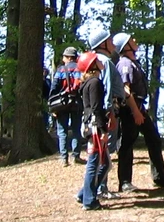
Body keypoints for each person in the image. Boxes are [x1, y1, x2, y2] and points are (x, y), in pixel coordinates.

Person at [114, 33, 164, 191]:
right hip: (130, 109)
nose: (135, 41)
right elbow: (125, 90)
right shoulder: (124, 64)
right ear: (125, 46)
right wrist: (135, 112)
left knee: (154, 139)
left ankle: (160, 177)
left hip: (139, 107)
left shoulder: (133, 62)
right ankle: (124, 182)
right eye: (131, 40)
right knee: (127, 144)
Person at [86, 30, 123, 199]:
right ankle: (101, 188)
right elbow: (107, 89)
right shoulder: (105, 62)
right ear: (102, 44)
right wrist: (111, 114)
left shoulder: (96, 61)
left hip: (99, 113)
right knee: (104, 151)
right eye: (109, 40)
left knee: (102, 152)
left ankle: (93, 189)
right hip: (107, 112)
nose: (113, 43)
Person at [76, 52, 107, 211]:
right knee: (95, 162)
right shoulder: (95, 82)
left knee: (103, 162)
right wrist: (103, 129)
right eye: (97, 60)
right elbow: (96, 108)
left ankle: (83, 194)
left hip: (90, 124)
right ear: (92, 66)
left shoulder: (88, 82)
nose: (100, 62)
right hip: (95, 126)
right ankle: (88, 199)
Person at [49, 46, 83, 166]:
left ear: (68, 57)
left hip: (62, 103)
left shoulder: (60, 70)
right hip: (76, 103)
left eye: (64, 56)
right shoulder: (80, 69)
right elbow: (82, 86)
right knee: (76, 129)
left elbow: (54, 86)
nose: (63, 58)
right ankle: (76, 156)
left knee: (62, 131)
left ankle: (64, 158)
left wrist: (51, 104)